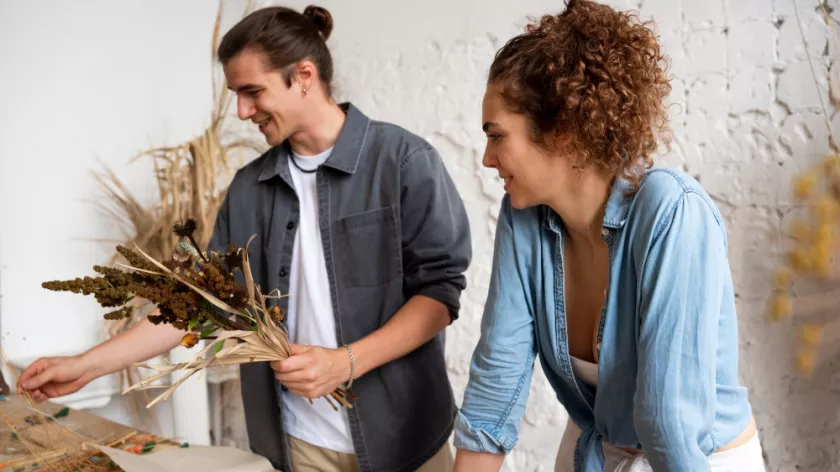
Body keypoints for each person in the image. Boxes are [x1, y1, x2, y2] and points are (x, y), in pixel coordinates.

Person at [18, 5, 471, 472]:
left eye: (253, 92)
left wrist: (346, 362)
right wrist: (84, 366)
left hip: (405, 438)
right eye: (236, 94)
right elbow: (197, 303)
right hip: (298, 446)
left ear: (304, 76)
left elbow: (438, 295)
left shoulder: (403, 161)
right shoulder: (248, 188)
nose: (242, 111)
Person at [452, 1, 765, 471]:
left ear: (561, 132)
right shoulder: (523, 219)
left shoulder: (671, 212)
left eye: (497, 136)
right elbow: (498, 380)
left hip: (699, 459)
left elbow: (668, 422)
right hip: (596, 452)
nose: (486, 158)